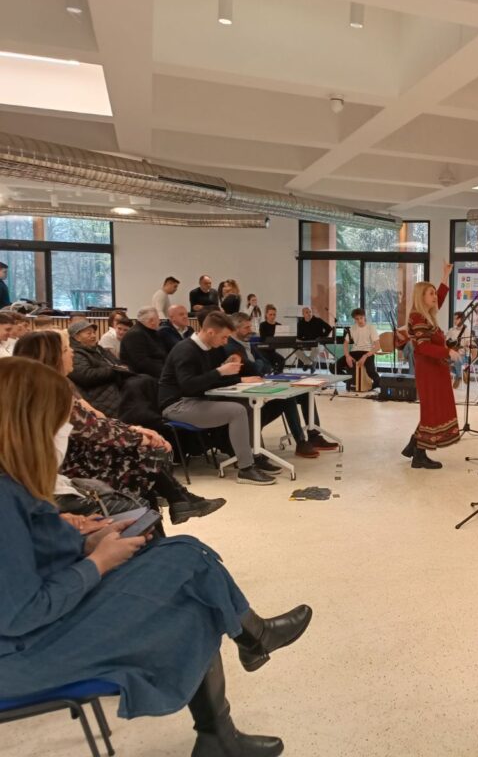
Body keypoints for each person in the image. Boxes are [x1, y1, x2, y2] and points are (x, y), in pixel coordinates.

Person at [0, 356, 312, 757]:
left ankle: (222, 726)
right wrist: (98, 562)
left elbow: (29, 555)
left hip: (44, 624)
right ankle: (250, 643)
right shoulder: (4, 497)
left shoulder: (12, 486)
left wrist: (83, 542)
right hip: (25, 652)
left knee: (192, 586)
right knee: (187, 563)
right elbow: (18, 614)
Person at [14, 331, 223, 525]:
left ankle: (176, 504)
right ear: (52, 357)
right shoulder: (49, 394)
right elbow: (93, 428)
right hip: (67, 465)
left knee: (142, 458)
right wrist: (139, 435)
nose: (72, 353)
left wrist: (135, 430)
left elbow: (95, 418)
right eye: (67, 349)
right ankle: (175, 503)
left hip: (76, 453)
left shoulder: (58, 386)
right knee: (143, 457)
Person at [159, 311, 279, 485]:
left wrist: (237, 378)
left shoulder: (208, 348)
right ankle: (245, 469)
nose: (225, 342)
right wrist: (220, 371)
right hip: (176, 405)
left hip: (197, 399)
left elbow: (211, 380)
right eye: (224, 337)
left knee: (247, 405)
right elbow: (188, 386)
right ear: (210, 332)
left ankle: (254, 455)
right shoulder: (185, 350)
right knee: (237, 411)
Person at [224, 313, 332, 459]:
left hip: (263, 386)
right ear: (234, 329)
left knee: (305, 392)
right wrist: (260, 366)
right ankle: (300, 442)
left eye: (250, 326)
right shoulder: (231, 347)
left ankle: (314, 435)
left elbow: (266, 365)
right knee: (287, 397)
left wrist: (260, 366)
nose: (251, 331)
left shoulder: (248, 344)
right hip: (250, 396)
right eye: (246, 328)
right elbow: (255, 368)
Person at [400, 264, 461, 469]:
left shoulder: (426, 314)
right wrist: (447, 352)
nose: (435, 297)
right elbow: (423, 347)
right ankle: (419, 455)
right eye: (431, 293)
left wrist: (445, 276)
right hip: (428, 371)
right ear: (421, 297)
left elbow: (440, 300)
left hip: (436, 369)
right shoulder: (417, 317)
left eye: (435, 293)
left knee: (433, 408)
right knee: (431, 410)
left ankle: (414, 445)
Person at [68, 318, 132, 416]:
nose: (93, 336)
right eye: (89, 333)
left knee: (143, 380)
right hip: (97, 390)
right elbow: (86, 376)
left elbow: (115, 362)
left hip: (111, 381)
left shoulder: (97, 348)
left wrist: (121, 368)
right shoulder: (75, 353)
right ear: (77, 337)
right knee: (137, 385)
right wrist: (114, 371)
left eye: (94, 332)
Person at [120, 306, 168, 379]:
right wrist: (167, 374)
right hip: (142, 377)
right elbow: (143, 363)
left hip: (157, 373)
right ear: (151, 321)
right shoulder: (135, 334)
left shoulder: (151, 332)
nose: (160, 321)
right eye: (158, 318)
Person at [342, 308, 382, 391]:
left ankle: (377, 383)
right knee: (334, 367)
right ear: (354, 319)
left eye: (361, 318)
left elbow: (378, 346)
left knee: (370, 371)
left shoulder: (371, 328)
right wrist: (347, 356)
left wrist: (365, 356)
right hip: (354, 352)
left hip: (367, 352)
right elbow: (345, 343)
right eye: (357, 319)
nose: (359, 320)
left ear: (364, 317)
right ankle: (349, 381)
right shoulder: (352, 328)